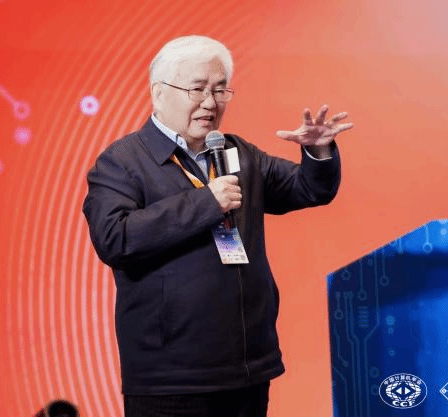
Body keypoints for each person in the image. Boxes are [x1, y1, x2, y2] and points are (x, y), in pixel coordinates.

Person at [82, 35, 353, 417]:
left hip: (247, 367)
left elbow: (308, 189)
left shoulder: (237, 153)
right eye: (197, 90)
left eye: (220, 90)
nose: (210, 103)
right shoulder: (123, 162)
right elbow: (115, 238)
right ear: (158, 92)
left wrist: (317, 151)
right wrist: (206, 202)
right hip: (170, 378)